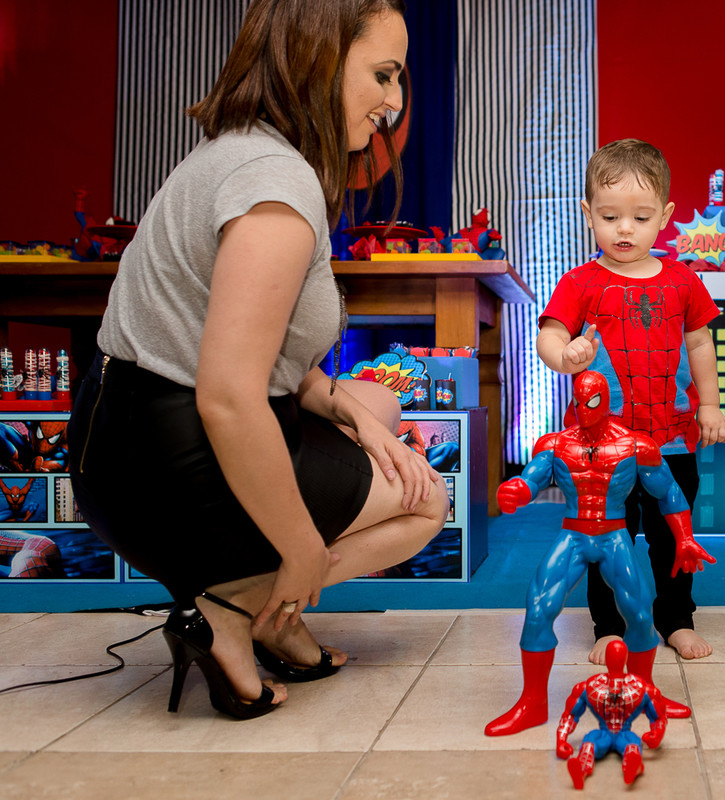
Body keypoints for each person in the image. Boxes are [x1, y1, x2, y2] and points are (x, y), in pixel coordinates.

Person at [67, 0, 448, 720]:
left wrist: (351, 415)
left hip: (119, 435)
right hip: (162, 465)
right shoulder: (277, 185)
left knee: (382, 407)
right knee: (427, 501)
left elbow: (259, 354)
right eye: (383, 75)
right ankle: (239, 610)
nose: (395, 103)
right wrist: (302, 549)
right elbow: (230, 397)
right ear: (319, 61)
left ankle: (259, 602)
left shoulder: (243, 150)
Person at [536, 138, 725, 663]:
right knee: (604, 535)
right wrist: (565, 354)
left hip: (670, 439)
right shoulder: (580, 283)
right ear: (588, 214)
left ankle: (676, 618)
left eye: (640, 217)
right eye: (610, 216)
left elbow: (700, 343)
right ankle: (608, 625)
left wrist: (710, 406)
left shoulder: (684, 281)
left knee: (674, 534)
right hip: (605, 448)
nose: (625, 229)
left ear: (664, 216)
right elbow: (549, 336)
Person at [484, 371, 714, 737]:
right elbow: (531, 479)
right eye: (579, 400)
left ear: (607, 400)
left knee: (639, 616)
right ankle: (532, 704)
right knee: (538, 609)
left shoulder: (635, 446)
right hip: (573, 536)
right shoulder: (556, 445)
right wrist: (515, 490)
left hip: (613, 535)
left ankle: (645, 692)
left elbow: (668, 492)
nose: (585, 408)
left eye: (592, 400)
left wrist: (684, 537)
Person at [556, 638, 666, 789]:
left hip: (623, 732)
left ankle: (634, 767)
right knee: (589, 742)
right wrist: (561, 739)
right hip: (604, 732)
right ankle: (581, 768)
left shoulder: (642, 689)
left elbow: (659, 716)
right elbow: (571, 714)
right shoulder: (589, 687)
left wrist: (657, 733)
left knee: (631, 746)